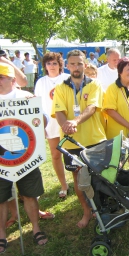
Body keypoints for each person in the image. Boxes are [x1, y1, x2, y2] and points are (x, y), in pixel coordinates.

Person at [52, 49, 107, 228]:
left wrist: (74, 121)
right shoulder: (60, 88)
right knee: (77, 178)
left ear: (85, 64)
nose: (76, 67)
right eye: (73, 64)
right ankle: (86, 211)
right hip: (71, 142)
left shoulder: (94, 84)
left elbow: (92, 108)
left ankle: (103, 208)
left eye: (79, 63)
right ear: (67, 66)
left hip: (94, 138)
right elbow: (58, 111)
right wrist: (65, 126)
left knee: (99, 176)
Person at [0, 63, 48, 254]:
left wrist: (36, 110)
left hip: (26, 157)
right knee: (1, 198)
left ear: (13, 80)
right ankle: (2, 234)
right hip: (2, 161)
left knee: (29, 194)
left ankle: (36, 228)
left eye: (1, 77)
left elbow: (43, 122)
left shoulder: (26, 97)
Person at [34, 52, 69, 198]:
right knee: (55, 155)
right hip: (51, 123)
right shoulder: (41, 82)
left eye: (55, 63)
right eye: (49, 63)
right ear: (45, 66)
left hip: (68, 121)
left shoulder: (67, 78)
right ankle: (63, 185)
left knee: (73, 155)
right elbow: (37, 105)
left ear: (60, 64)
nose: (52, 66)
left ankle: (80, 183)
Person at [103, 57, 129, 169]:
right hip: (117, 134)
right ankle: (117, 185)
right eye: (128, 69)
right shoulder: (112, 88)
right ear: (120, 71)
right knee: (117, 163)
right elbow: (110, 110)